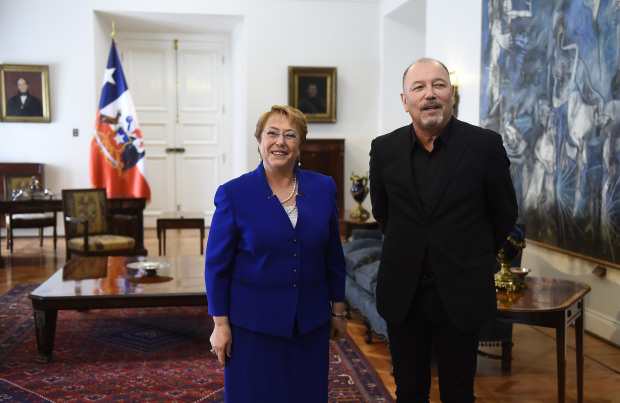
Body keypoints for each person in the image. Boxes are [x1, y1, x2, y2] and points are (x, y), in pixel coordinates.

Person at [369, 58, 518, 402]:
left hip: (462, 291)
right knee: (409, 391)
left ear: (452, 94)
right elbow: (383, 212)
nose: (429, 94)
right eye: (418, 87)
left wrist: (472, 252)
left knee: (458, 393)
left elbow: (504, 212)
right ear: (405, 101)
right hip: (402, 292)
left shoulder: (485, 146)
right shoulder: (384, 149)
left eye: (438, 85)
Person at [205, 104, 347, 402]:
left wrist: (337, 311)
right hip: (253, 325)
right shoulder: (233, 193)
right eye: (272, 133)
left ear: (300, 145)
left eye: (290, 135)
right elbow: (217, 266)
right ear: (259, 141)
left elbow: (333, 255)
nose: (280, 141)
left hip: (310, 322)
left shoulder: (324, 188)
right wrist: (220, 325)